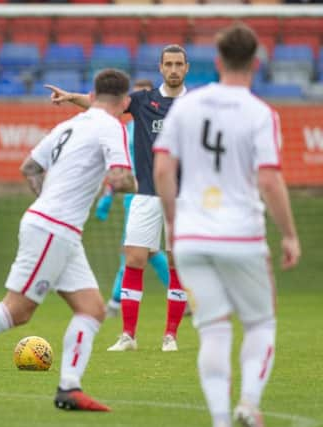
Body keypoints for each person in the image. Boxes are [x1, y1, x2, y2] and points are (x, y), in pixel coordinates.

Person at [0, 69, 136, 411]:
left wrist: (44, 201)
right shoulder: (113, 126)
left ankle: (69, 389)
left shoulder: (70, 124)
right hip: (54, 227)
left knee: (91, 309)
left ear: (93, 96)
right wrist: (146, 186)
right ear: (125, 103)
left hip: (57, 227)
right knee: (17, 310)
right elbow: (121, 178)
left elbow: (29, 167)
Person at [153, 23, 300, 427]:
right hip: (242, 236)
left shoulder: (187, 106)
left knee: (213, 330)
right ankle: (249, 405)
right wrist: (288, 234)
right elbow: (269, 179)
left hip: (193, 237)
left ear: (217, 62)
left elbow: (163, 166)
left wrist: (172, 218)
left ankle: (220, 419)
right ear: (256, 63)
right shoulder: (261, 114)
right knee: (260, 323)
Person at [47, 44, 190, 352]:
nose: (174, 69)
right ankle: (128, 335)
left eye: (179, 64)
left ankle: (171, 336)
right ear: (161, 67)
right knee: (135, 259)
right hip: (146, 194)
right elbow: (103, 105)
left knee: (178, 262)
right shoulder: (143, 100)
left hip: (183, 197)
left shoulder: (196, 105)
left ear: (186, 68)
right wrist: (70, 97)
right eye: (169, 64)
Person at [94, 78, 170, 318]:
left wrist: (107, 196)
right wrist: (110, 193)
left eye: (143, 96)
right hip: (135, 194)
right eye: (134, 97)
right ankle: (184, 296)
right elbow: (120, 167)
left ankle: (116, 303)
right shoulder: (126, 130)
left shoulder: (161, 127)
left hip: (153, 192)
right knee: (146, 250)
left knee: (139, 250)